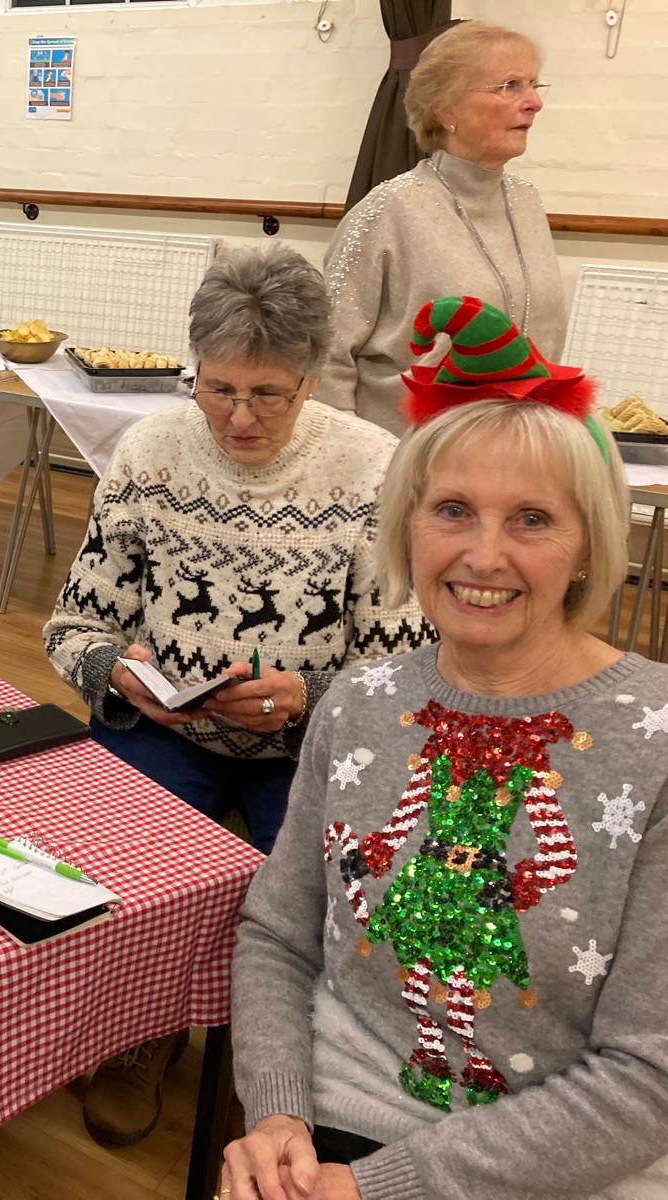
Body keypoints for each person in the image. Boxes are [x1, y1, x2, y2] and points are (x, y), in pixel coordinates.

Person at [226, 297, 668, 1200]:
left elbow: (646, 1081)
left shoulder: (653, 743)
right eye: (454, 510)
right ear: (407, 524)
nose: (484, 554)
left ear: (589, 546)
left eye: (533, 520)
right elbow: (276, 932)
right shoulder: (361, 700)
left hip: (567, 1156)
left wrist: (380, 1188)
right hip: (331, 1111)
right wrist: (274, 1116)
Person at [42, 245, 428, 1149]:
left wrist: (313, 697)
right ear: (193, 369)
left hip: (312, 745)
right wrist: (119, 676)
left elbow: (408, 681)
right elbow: (72, 627)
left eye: (270, 395)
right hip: (165, 732)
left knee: (315, 898)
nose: (239, 418)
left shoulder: (373, 469)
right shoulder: (150, 452)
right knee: (114, 869)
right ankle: (146, 1031)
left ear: (311, 379)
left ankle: (265, 1067)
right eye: (217, 389)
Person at [321, 21, 564, 435]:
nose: (533, 102)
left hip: (513, 453)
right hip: (406, 459)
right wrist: (355, 459)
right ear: (446, 109)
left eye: (534, 85)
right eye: (509, 86)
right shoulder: (388, 208)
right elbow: (325, 351)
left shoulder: (526, 201)